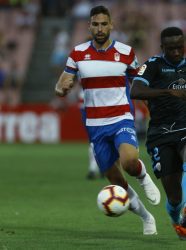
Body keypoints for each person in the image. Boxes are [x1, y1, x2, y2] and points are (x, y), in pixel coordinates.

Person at [54, 5, 160, 235]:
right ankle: (146, 217)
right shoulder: (78, 53)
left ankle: (143, 177)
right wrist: (62, 88)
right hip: (95, 126)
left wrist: (155, 113)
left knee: (130, 162)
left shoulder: (126, 52)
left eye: (104, 24)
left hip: (121, 117)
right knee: (117, 181)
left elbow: (139, 87)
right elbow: (61, 84)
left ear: (111, 25)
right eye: (95, 24)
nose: (100, 28)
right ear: (89, 26)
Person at [130, 27, 186, 241]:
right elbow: (135, 91)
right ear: (162, 48)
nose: (177, 52)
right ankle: (178, 218)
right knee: (173, 195)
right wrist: (168, 91)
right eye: (171, 49)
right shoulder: (153, 65)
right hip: (160, 132)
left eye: (180, 47)